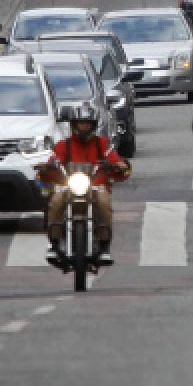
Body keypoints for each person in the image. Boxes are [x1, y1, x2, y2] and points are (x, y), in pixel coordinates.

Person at [38, 101, 132, 267]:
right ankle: (53, 243)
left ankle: (104, 247)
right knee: (56, 200)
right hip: (68, 186)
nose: (84, 127)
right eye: (81, 123)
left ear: (94, 125)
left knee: (103, 202)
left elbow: (116, 160)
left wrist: (119, 165)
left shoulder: (102, 144)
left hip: (96, 186)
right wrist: (47, 167)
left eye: (88, 123)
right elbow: (53, 161)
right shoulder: (63, 145)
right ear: (74, 124)